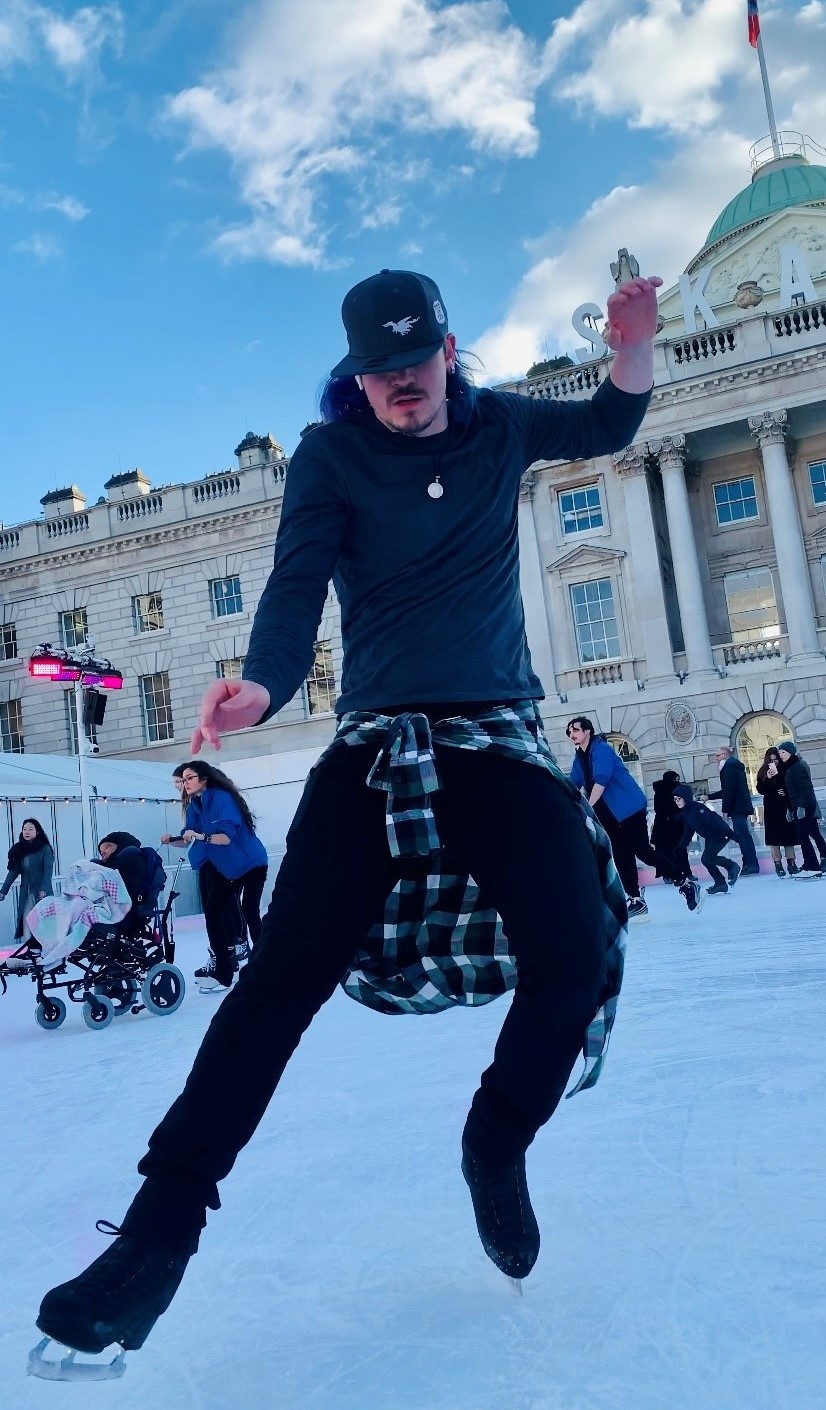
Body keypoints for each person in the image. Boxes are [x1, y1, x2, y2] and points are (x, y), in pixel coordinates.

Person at [37, 264, 663, 1360]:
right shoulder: (330, 456)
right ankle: (154, 1237)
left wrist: (632, 344)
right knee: (278, 979)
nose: (400, 387)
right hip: (376, 743)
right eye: (379, 372)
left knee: (578, 948)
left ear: (449, 351)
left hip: (492, 737)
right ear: (356, 374)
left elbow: (611, 422)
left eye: (415, 363)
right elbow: (293, 585)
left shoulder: (501, 428)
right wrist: (263, 686)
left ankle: (495, 1141)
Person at [566, 718, 702, 922]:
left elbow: (601, 780)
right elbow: (573, 782)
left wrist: (587, 806)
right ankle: (636, 899)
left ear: (587, 731)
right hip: (609, 816)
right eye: (569, 732)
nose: (571, 734)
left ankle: (685, 883)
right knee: (621, 855)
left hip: (628, 809)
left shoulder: (600, 749)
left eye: (575, 730)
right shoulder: (580, 757)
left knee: (642, 850)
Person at [178, 761, 268, 991]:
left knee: (249, 909)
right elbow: (190, 836)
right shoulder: (194, 805)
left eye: (189, 778)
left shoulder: (221, 799)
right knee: (213, 914)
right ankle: (223, 974)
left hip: (251, 864)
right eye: (183, 779)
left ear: (204, 779)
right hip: (226, 868)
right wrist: (176, 839)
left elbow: (225, 838)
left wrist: (199, 836)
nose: (184, 783)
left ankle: (266, 962)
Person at [672, 785, 740, 895]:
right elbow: (688, 832)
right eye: (675, 799)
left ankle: (732, 866)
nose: (676, 801)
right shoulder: (687, 812)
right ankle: (720, 883)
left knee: (707, 858)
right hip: (711, 836)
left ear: (686, 797)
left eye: (679, 799)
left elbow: (714, 819)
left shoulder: (697, 808)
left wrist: (730, 834)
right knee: (706, 859)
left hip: (721, 834)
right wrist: (680, 847)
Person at [776, 741, 826, 878]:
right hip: (798, 806)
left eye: (783, 752)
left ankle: (812, 866)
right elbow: (789, 791)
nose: (781, 755)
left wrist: (801, 807)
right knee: (805, 836)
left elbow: (805, 789)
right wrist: (790, 809)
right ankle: (811, 865)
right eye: (779, 753)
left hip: (804, 806)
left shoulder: (797, 766)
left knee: (804, 836)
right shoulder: (789, 767)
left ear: (791, 753)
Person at [707, 746, 759, 875]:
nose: (716, 759)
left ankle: (750, 864)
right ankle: (749, 863)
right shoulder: (734, 765)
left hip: (737, 807)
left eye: (718, 755)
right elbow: (729, 790)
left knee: (742, 836)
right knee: (743, 836)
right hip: (740, 806)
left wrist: (726, 809)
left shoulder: (729, 767)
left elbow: (729, 790)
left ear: (724, 754)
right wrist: (710, 797)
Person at [0, 818, 54, 940]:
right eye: (24, 829)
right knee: (26, 921)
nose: (27, 832)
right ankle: (30, 949)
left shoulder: (44, 848)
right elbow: (13, 872)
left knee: (43, 923)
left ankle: (45, 950)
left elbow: (48, 871)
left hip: (41, 893)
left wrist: (44, 889)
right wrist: (3, 891)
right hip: (26, 893)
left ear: (37, 832)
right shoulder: (19, 850)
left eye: (30, 829)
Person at [755, 748, 799, 878]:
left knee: (788, 837)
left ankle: (792, 863)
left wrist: (780, 782)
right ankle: (778, 865)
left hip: (784, 805)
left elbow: (788, 785)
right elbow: (761, 789)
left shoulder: (785, 768)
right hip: (771, 807)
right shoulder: (763, 771)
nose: (774, 762)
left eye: (775, 759)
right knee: (774, 839)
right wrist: (768, 778)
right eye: (771, 760)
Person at [650, 769, 691, 879]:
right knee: (669, 850)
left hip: (672, 825)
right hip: (667, 826)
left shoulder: (669, 790)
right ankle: (672, 874)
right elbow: (659, 808)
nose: (677, 782)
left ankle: (682, 873)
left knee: (676, 849)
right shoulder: (662, 791)